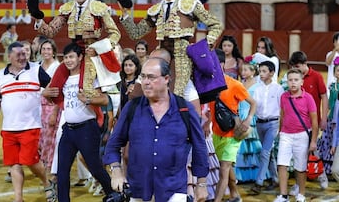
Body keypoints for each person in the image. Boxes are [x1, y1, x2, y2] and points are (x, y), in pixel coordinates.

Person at [104, 57, 209, 202]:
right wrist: (116, 170)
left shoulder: (184, 109)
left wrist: (201, 183)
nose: (145, 82)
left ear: (166, 78)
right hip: (138, 190)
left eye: (151, 77)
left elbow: (199, 147)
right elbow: (113, 144)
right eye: (143, 77)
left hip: (174, 191)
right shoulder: (132, 108)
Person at [118, 0, 222, 97]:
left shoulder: (190, 4)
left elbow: (216, 24)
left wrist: (208, 43)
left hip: (183, 54)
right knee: (140, 92)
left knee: (176, 93)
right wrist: (125, 15)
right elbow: (136, 33)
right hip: (161, 53)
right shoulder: (155, 10)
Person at [42, 42, 114, 202]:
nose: (68, 60)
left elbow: (105, 99)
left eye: (71, 57)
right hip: (69, 129)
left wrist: (88, 99)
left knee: (95, 168)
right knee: (62, 171)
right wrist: (46, 93)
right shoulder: (63, 78)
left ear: (80, 57)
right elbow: (53, 97)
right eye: (66, 57)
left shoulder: (90, 77)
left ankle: (113, 194)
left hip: (87, 129)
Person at [0, 42, 57, 202]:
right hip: (9, 128)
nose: (22, 57)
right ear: (9, 56)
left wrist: (47, 94)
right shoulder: (0, 75)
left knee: (30, 161)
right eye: (17, 54)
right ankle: (18, 198)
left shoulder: (35, 69)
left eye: (23, 54)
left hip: (30, 126)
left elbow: (52, 87)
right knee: (13, 163)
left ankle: (47, 183)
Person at [33, 0, 121, 98]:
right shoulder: (68, 8)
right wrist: (39, 20)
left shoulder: (98, 8)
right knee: (55, 84)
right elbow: (51, 32)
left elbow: (115, 33)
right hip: (73, 52)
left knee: (87, 89)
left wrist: (99, 49)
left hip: (91, 53)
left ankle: (99, 116)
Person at [209, 49, 256, 202]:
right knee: (226, 168)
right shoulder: (207, 84)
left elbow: (253, 103)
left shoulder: (234, 84)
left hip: (232, 135)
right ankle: (235, 194)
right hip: (216, 133)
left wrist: (248, 118)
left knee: (223, 170)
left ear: (222, 65)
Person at [273, 69, 318, 202]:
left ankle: (301, 194)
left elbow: (314, 122)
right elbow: (282, 114)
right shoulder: (284, 97)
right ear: (287, 81)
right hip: (286, 135)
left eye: (296, 80)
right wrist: (280, 132)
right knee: (282, 164)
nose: (293, 83)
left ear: (301, 82)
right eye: (290, 80)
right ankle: (283, 195)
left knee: (300, 167)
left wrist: (313, 141)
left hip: (302, 135)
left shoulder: (308, 98)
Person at [288, 51, 329, 192]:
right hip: (297, 124)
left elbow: (324, 97)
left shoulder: (316, 76)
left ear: (305, 63)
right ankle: (298, 184)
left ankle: (322, 175)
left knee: (314, 151)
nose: (296, 69)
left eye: (298, 66)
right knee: (298, 155)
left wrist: (324, 118)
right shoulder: (294, 79)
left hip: (313, 123)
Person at [249, 61, 284, 195]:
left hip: (272, 123)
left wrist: (281, 126)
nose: (261, 74)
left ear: (272, 73)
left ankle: (259, 182)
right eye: (260, 71)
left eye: (264, 71)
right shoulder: (257, 88)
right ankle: (275, 179)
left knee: (264, 153)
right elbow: (255, 105)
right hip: (260, 123)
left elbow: (282, 109)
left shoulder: (278, 89)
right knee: (268, 154)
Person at [38, 39, 61, 178]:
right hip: (38, 107)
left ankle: (49, 168)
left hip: (51, 107)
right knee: (40, 138)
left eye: (48, 49)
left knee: (50, 139)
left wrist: (54, 112)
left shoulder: (57, 67)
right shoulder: (38, 66)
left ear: (53, 52)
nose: (46, 51)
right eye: (44, 49)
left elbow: (57, 91)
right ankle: (43, 166)